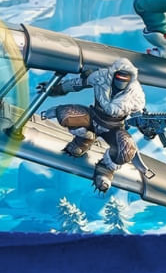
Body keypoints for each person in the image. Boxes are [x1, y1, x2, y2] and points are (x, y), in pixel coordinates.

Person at [46, 59, 151, 193]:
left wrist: (146, 129)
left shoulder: (136, 94)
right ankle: (84, 139)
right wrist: (57, 89)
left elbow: (138, 116)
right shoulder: (100, 77)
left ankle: (106, 169)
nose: (121, 81)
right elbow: (78, 84)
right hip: (93, 117)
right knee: (65, 114)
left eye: (125, 78)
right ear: (113, 74)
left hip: (114, 128)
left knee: (127, 148)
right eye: (119, 77)